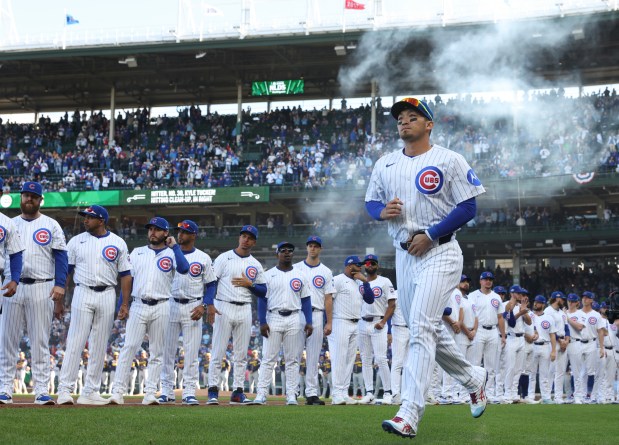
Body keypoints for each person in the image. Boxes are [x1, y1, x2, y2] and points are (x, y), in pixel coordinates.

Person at [365, 98, 487, 438]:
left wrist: (432, 235)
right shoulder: (386, 163)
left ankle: (409, 413)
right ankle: (472, 378)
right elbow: (370, 202)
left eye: (412, 117)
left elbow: (469, 206)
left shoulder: (448, 159)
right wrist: (380, 211)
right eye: (400, 118)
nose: (404, 122)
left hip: (441, 251)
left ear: (428, 124)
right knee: (426, 327)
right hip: (404, 254)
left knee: (419, 326)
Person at [109, 216, 189, 405]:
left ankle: (150, 393)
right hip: (137, 304)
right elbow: (128, 281)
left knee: (157, 351)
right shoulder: (137, 252)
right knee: (129, 347)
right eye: (150, 229)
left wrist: (175, 247)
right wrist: (123, 304)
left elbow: (185, 269)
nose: (152, 232)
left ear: (166, 233)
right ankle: (117, 392)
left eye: (157, 229)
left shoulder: (172, 253)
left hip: (162, 305)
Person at [56, 205, 132, 405]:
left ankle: (90, 391)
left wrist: (124, 303)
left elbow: (125, 275)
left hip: (107, 293)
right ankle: (65, 390)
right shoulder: (76, 241)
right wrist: (61, 300)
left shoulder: (118, 242)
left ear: (101, 220)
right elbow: (66, 273)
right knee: (75, 341)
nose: (85, 220)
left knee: (99, 344)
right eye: (84, 217)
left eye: (90, 217)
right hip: (82, 291)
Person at [0, 181, 65, 406]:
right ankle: (5, 389)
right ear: (20, 198)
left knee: (40, 341)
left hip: (41, 286)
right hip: (11, 287)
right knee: (7, 340)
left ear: (40, 200)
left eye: (34, 196)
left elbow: (61, 257)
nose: (29, 199)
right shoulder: (8, 223)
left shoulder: (51, 224)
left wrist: (60, 284)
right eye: (26, 195)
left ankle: (41, 391)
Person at [159, 220, 217, 405]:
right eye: (179, 231)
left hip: (193, 305)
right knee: (167, 351)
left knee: (191, 353)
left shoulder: (203, 258)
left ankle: (189, 392)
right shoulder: (167, 254)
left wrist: (205, 305)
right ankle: (166, 391)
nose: (180, 234)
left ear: (193, 235)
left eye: (184, 232)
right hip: (171, 303)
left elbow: (211, 285)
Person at [207, 225, 266, 405]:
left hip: (245, 308)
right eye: (243, 236)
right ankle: (212, 390)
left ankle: (238, 391)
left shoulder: (255, 264)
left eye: (249, 237)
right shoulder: (224, 258)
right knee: (218, 351)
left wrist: (250, 285)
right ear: (239, 238)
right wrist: (209, 304)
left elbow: (263, 291)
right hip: (223, 305)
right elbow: (211, 282)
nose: (245, 239)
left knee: (240, 354)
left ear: (254, 242)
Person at [250, 241, 313, 405]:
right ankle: (261, 394)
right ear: (276, 254)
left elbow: (306, 300)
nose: (287, 253)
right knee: (268, 358)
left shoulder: (300, 274)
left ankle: (291, 395)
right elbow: (262, 300)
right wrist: (262, 321)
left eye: (290, 250)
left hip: (294, 317)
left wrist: (309, 321)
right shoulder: (267, 274)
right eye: (283, 250)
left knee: (293, 359)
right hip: (274, 317)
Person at [325, 255, 374, 405]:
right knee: (339, 358)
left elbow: (370, 299)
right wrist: (328, 322)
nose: (360, 267)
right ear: (349, 266)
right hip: (340, 322)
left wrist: (365, 281)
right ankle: (336, 394)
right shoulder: (338, 279)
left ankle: (344, 393)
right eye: (357, 265)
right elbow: (328, 300)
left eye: (360, 265)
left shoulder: (360, 282)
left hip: (355, 323)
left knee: (349, 360)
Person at [293, 235, 335, 405]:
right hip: (298, 313)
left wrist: (329, 321)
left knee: (313, 356)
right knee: (293, 354)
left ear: (320, 249)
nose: (312, 248)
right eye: (310, 245)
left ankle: (311, 393)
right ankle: (292, 391)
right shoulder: (295, 268)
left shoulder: (326, 271)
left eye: (316, 246)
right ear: (306, 247)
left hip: (317, 313)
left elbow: (328, 299)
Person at [357, 254, 396, 405]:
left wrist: (384, 322)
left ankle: (387, 392)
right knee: (365, 359)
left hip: (378, 321)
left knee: (381, 359)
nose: (369, 265)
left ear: (377, 265)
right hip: (362, 322)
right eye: (366, 263)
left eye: (372, 263)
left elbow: (392, 304)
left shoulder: (384, 281)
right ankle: (369, 393)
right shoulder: (359, 282)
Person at [468, 272, 506, 403]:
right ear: (480, 281)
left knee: (491, 365)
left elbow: (500, 317)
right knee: (475, 364)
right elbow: (470, 314)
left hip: (493, 331)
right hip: (479, 330)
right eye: (485, 279)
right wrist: (472, 330)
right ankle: (474, 393)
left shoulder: (496, 297)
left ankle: (488, 393)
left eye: (490, 279)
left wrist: (503, 335)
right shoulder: (473, 295)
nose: (488, 281)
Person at [501, 285, 531, 404]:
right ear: (512, 293)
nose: (520, 295)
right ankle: (507, 393)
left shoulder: (520, 306)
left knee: (518, 369)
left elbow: (529, 322)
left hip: (521, 339)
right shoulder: (505, 305)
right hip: (511, 338)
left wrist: (524, 311)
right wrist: (520, 312)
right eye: (518, 293)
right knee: (510, 367)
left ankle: (514, 393)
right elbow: (511, 322)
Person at [528, 295, 557, 404]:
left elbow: (553, 335)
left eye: (538, 302)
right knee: (532, 373)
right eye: (535, 302)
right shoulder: (529, 315)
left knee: (545, 374)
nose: (536, 304)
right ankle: (530, 396)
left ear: (543, 304)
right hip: (532, 345)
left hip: (545, 345)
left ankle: (546, 397)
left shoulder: (549, 318)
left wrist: (554, 350)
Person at [544, 291, 570, 404]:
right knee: (550, 371)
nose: (563, 301)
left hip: (563, 342)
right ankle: (548, 395)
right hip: (553, 342)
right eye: (562, 299)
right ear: (556, 299)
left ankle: (558, 397)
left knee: (560, 371)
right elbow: (549, 330)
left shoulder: (562, 312)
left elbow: (566, 327)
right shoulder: (548, 311)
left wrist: (567, 341)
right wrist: (560, 341)